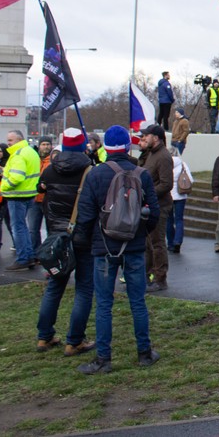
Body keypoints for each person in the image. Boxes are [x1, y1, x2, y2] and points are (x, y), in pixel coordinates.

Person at [75, 125, 161, 374]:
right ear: (127, 146)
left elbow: (86, 215)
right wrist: (139, 233)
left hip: (103, 247)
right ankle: (144, 353)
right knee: (137, 301)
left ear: (106, 147)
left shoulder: (95, 174)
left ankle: (104, 359)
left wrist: (93, 239)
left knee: (103, 303)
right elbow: (152, 212)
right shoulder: (141, 174)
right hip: (133, 246)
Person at [35, 128, 95, 356]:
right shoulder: (89, 172)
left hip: (56, 238)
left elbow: (40, 192)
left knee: (55, 286)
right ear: (82, 146)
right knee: (84, 288)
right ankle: (75, 341)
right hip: (82, 236)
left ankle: (44, 336)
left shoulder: (49, 171)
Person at [138, 125, 174, 292]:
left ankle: (161, 279)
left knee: (157, 243)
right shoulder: (151, 154)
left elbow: (166, 184)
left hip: (159, 206)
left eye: (148, 135)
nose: (145, 138)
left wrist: (147, 193)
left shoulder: (164, 156)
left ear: (157, 138)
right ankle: (147, 276)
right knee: (147, 243)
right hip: (149, 205)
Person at [0, 129, 40, 271]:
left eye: (10, 140)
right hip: (29, 194)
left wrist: (4, 186)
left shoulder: (18, 154)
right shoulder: (31, 152)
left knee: (18, 228)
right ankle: (29, 257)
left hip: (17, 195)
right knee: (23, 228)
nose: (8, 143)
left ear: (18, 140)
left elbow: (17, 177)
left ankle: (23, 258)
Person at [27, 135, 53, 250]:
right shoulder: (34, 160)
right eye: (43, 144)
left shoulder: (53, 161)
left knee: (50, 229)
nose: (46, 147)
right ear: (39, 146)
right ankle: (35, 253)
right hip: (34, 198)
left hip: (48, 199)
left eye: (48, 144)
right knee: (33, 229)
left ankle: (48, 253)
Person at [168, 149, 192, 254]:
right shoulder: (182, 164)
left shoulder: (165, 164)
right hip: (180, 195)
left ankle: (170, 243)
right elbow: (190, 179)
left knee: (169, 220)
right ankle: (178, 241)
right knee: (179, 220)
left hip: (167, 195)